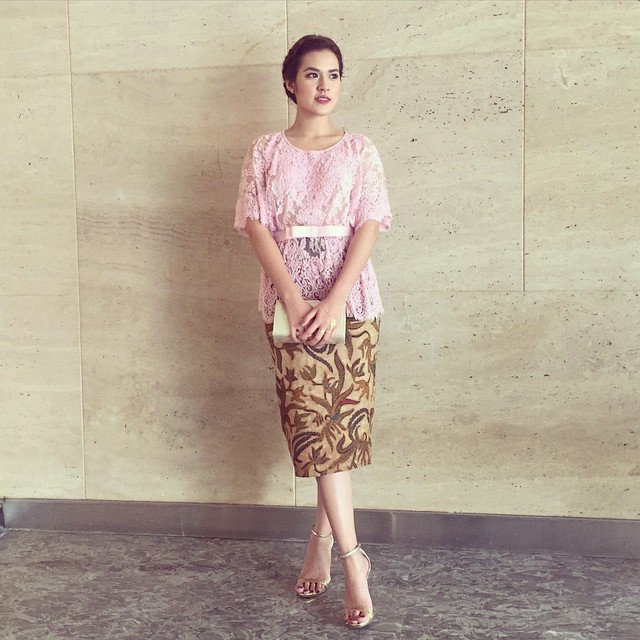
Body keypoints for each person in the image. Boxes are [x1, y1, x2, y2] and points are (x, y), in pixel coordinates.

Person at [233, 34, 392, 629]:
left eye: (334, 74)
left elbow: (370, 223)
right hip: (290, 306)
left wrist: (336, 298)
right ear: (289, 82)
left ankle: (331, 547)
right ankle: (350, 556)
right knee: (315, 429)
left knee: (338, 431)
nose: (324, 85)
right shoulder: (265, 150)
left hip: (353, 303)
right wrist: (296, 298)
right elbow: (255, 224)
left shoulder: (360, 150)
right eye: (311, 74)